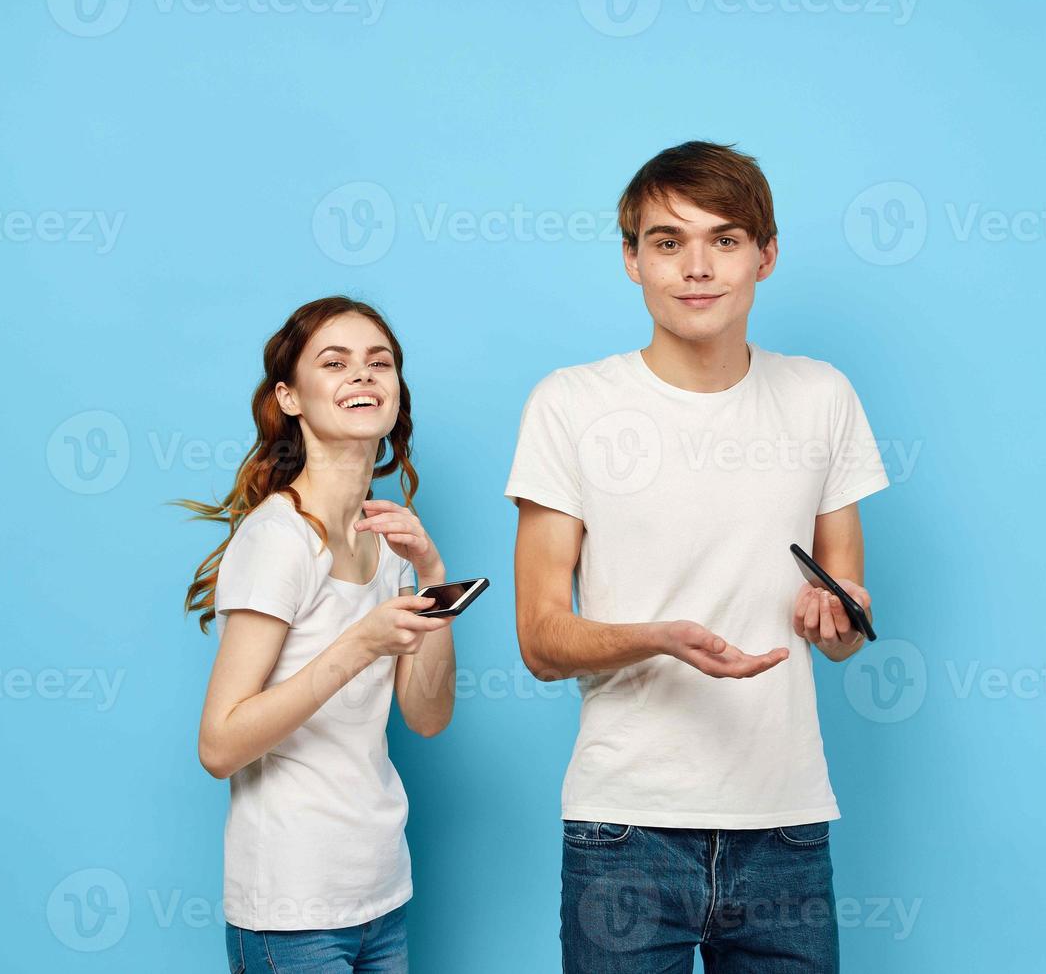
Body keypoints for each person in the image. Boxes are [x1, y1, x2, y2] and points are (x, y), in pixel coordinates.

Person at [506, 142, 890, 972]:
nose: (697, 267)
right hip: (626, 829)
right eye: (668, 241)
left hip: (786, 825)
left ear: (766, 255)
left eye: (724, 239)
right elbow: (539, 641)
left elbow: (846, 625)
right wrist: (659, 637)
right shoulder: (570, 405)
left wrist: (840, 617)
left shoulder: (823, 397)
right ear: (631, 260)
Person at [182, 296, 457, 972]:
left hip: (380, 894)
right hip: (290, 909)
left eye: (379, 363)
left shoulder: (388, 538)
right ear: (291, 397)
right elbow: (219, 746)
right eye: (334, 363)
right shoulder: (278, 539)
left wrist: (433, 574)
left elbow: (427, 717)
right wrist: (359, 644)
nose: (362, 376)